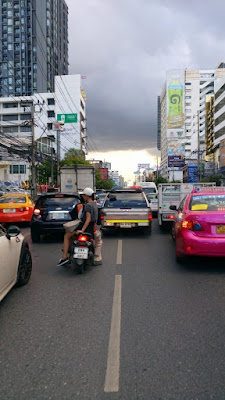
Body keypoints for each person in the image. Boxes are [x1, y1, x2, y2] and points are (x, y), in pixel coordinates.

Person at [57, 188, 102, 266]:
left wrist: (82, 230)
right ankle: (68, 250)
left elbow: (88, 219)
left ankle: (64, 257)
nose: (83, 197)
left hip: (86, 228)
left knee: (67, 235)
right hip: (91, 228)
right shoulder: (95, 204)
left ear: (86, 196)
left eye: (83, 195)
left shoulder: (87, 206)